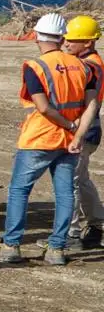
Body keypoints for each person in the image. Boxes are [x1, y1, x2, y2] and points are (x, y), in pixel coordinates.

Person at [0, 13, 98, 266]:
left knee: (19, 191)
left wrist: (67, 124)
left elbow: (43, 108)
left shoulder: (34, 66)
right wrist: (77, 134)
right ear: (63, 37)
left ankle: (11, 245)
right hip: (69, 141)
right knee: (65, 193)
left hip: (39, 138)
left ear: (36, 36)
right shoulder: (85, 67)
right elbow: (92, 106)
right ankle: (57, 248)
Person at [61, 15, 104, 249]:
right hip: (91, 128)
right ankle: (98, 223)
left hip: (84, 128)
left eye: (72, 40)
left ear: (88, 42)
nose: (66, 43)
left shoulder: (89, 65)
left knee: (71, 181)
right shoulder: (92, 61)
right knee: (82, 179)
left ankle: (72, 233)